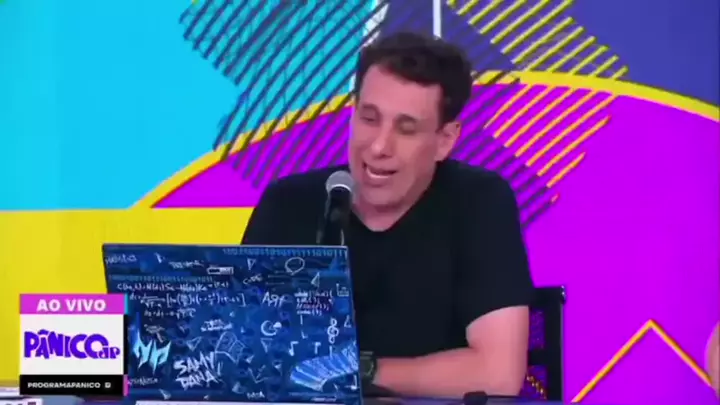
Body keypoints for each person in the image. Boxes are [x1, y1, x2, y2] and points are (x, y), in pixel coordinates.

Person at [242, 32, 535, 398]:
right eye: (369, 119)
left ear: (445, 140)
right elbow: (239, 360)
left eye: (406, 129)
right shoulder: (288, 203)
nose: (379, 146)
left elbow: (498, 373)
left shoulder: (479, 202)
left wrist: (352, 371)